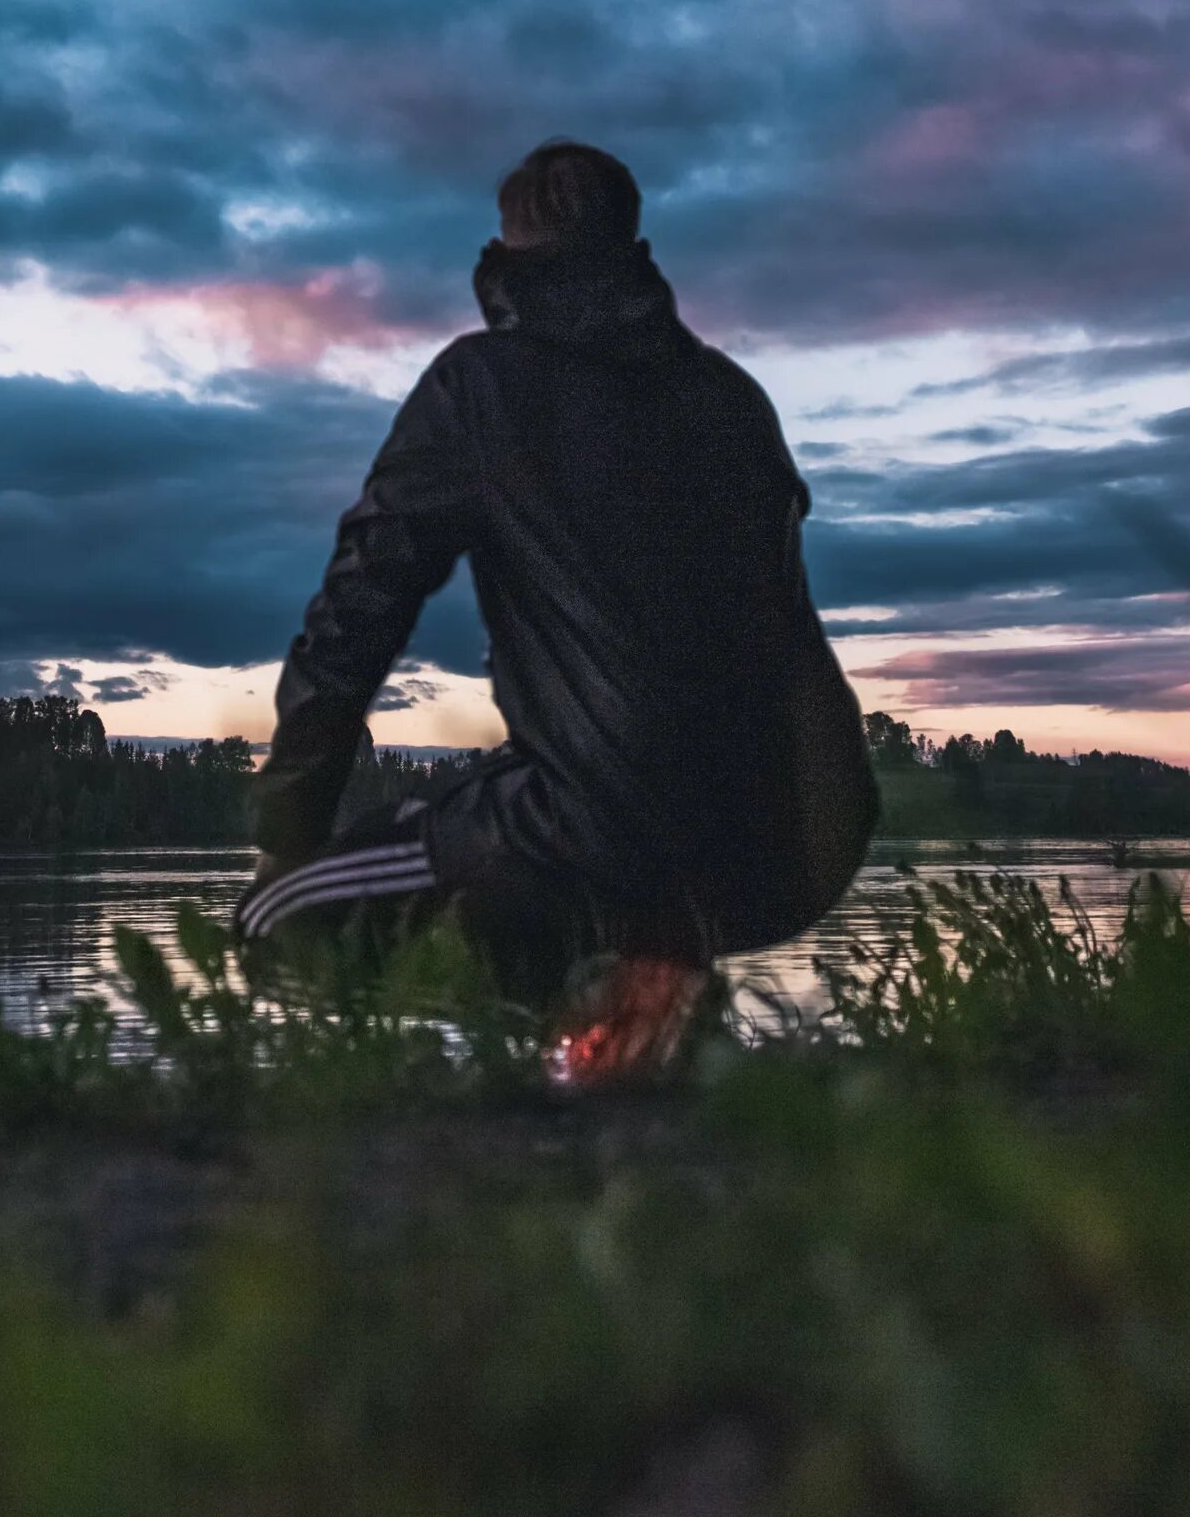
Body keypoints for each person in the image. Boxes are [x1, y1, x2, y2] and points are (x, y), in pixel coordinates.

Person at [237, 139, 876, 1078]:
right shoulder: (734, 399)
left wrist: (290, 831)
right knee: (560, 855)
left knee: (272, 922)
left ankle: (592, 994)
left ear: (508, 253)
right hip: (804, 837)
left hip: (607, 828)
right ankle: (630, 1023)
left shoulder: (483, 386)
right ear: (632, 246)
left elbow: (355, 615)